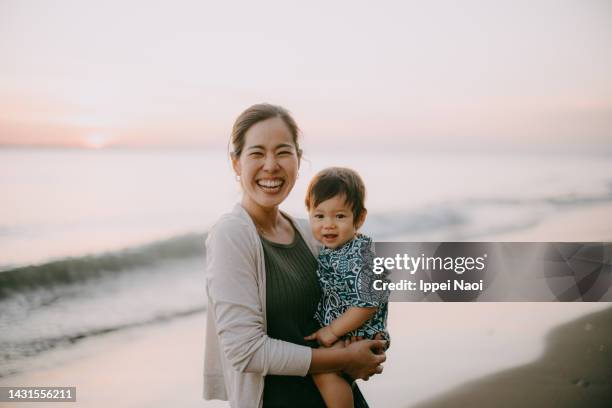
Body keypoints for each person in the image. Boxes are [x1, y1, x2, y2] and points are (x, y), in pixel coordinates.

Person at [203, 103, 387, 408]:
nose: (271, 165)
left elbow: (359, 292)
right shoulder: (230, 236)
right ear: (236, 164)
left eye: (283, 152)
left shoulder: (310, 233)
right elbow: (245, 351)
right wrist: (345, 357)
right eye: (257, 153)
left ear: (298, 161)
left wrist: (366, 348)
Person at [303, 167, 390, 408]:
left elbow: (369, 303)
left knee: (325, 371)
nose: (328, 225)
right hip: (347, 329)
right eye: (319, 216)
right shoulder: (333, 250)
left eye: (339, 216)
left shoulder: (360, 255)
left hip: (360, 333)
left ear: (359, 218)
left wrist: (331, 331)